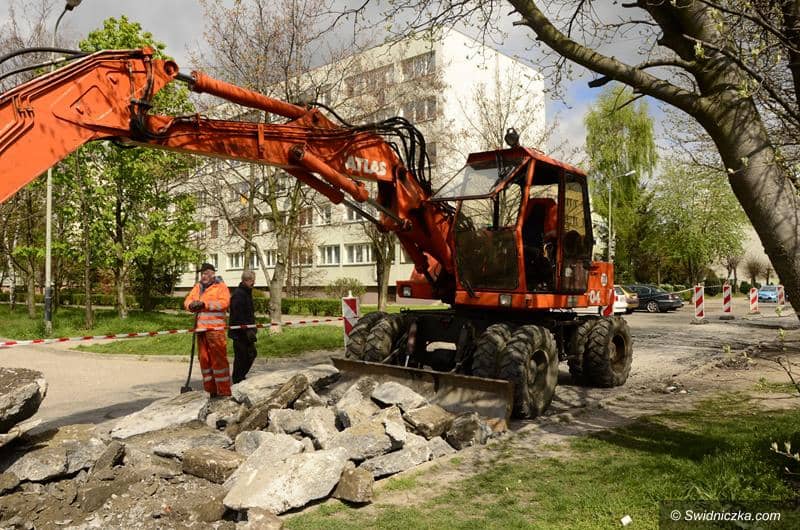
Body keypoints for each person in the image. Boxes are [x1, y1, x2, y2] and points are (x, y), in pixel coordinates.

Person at [184, 263, 232, 397]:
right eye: (202, 273)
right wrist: (191, 305)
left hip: (215, 331)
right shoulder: (198, 287)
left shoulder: (220, 287)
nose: (203, 276)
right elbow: (187, 300)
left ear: (212, 274)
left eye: (205, 273)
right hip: (201, 331)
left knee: (219, 361)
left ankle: (224, 391)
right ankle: (211, 390)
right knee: (204, 360)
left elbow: (224, 303)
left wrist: (205, 305)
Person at [229, 269, 258, 384]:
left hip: (247, 331)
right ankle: (237, 379)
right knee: (241, 357)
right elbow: (237, 315)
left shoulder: (246, 292)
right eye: (252, 280)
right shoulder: (239, 294)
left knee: (251, 354)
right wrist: (246, 330)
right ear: (247, 280)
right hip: (240, 333)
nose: (254, 283)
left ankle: (240, 377)